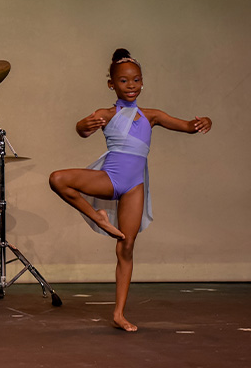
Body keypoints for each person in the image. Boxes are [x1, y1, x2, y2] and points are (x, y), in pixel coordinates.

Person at [48, 48, 212, 332]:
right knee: (58, 179)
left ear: (142, 82)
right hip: (110, 178)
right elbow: (83, 129)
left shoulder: (152, 116)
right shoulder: (106, 114)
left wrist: (203, 123)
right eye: (124, 81)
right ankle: (97, 215)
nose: (131, 85)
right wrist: (82, 126)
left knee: (126, 246)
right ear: (111, 84)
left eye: (136, 80)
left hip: (135, 186)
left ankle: (119, 314)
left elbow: (187, 126)